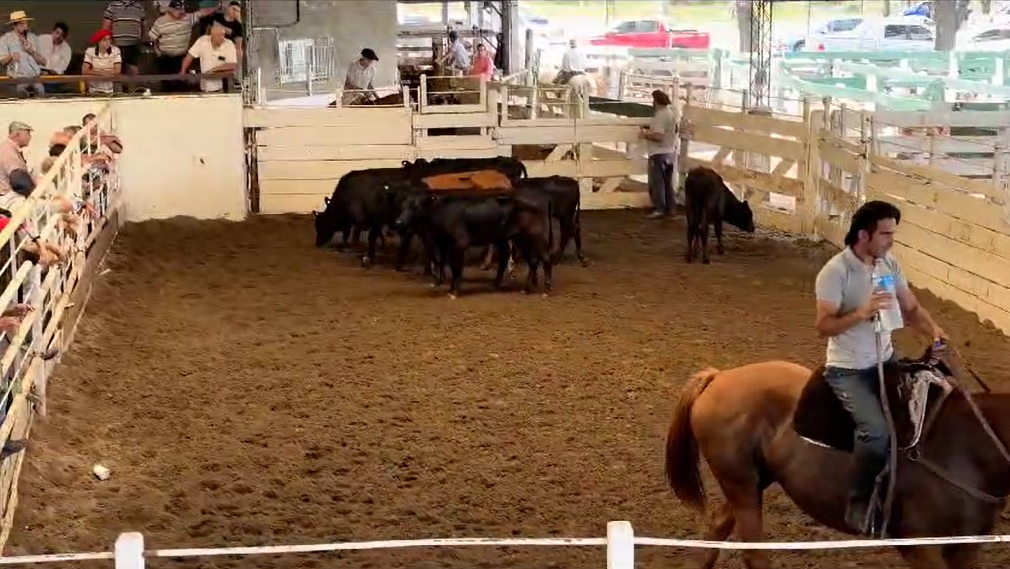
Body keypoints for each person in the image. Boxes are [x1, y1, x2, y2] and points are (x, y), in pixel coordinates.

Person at [814, 199, 946, 535]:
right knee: (875, 432)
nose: (891, 241)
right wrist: (861, 312)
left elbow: (911, 307)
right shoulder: (835, 272)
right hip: (848, 369)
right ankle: (857, 503)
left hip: (885, 360)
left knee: (931, 404)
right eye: (886, 234)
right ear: (864, 235)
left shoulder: (889, 264)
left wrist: (934, 330)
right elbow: (823, 326)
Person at [638, 89, 679, 219]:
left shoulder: (660, 115)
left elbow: (659, 136)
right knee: (668, 183)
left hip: (659, 153)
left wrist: (645, 135)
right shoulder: (671, 112)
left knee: (657, 182)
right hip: (670, 152)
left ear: (655, 101)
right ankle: (670, 209)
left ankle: (659, 209)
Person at [0, 11, 46, 98]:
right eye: (21, 24)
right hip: (18, 79)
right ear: (14, 25)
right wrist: (11, 57)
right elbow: (2, 62)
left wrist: (32, 52)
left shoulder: (34, 38)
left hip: (34, 78)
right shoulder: (5, 39)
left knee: (40, 91)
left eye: (25, 23)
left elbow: (44, 62)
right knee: (20, 92)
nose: (25, 26)